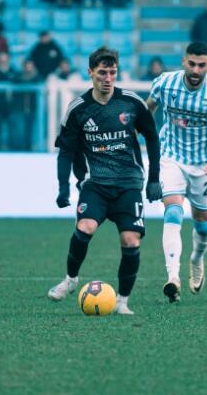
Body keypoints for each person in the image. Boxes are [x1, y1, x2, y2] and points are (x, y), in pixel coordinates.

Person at [47, 47, 162, 315]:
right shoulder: (78, 109)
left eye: (112, 72)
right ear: (90, 73)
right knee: (85, 227)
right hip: (95, 184)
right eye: (102, 73)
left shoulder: (131, 103)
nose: (108, 78)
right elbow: (65, 151)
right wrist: (63, 186)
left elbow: (152, 136)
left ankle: (122, 301)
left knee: (131, 240)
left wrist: (154, 179)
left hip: (128, 185)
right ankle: (70, 280)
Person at [146, 42, 207, 303]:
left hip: (204, 165)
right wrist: (142, 136)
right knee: (172, 211)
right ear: (183, 61)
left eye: (201, 65)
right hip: (171, 158)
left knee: (203, 225)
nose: (196, 70)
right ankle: (172, 277)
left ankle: (197, 259)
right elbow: (147, 110)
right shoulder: (165, 83)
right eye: (191, 64)